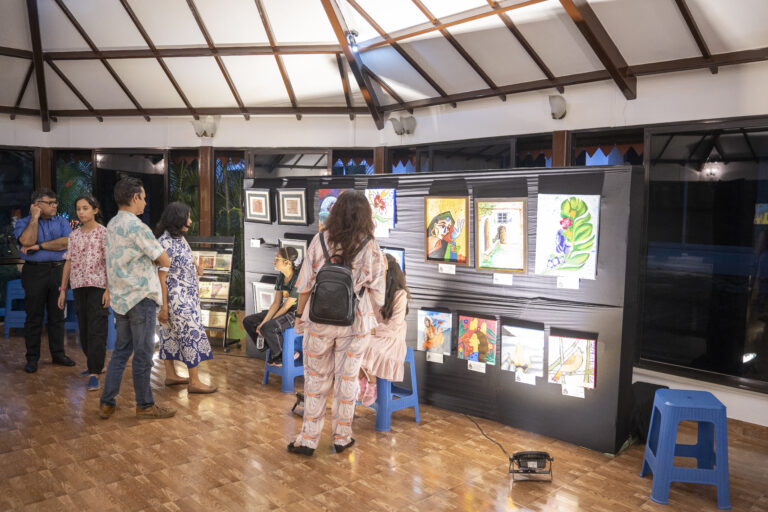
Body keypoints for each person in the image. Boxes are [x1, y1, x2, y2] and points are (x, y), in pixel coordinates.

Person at [288, 191, 386, 456]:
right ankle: (342, 437)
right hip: (355, 324)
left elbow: (304, 285)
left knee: (315, 380)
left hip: (319, 321)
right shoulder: (371, 247)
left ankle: (308, 439)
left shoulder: (320, 240)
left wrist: (299, 316)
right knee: (347, 380)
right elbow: (379, 295)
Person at [99, 177, 176, 420]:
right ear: (134, 198)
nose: (145, 202)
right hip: (141, 297)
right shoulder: (137, 226)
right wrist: (152, 260)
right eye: (143, 197)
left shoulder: (112, 225)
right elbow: (164, 259)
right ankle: (145, 405)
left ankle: (106, 402)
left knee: (121, 351)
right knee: (143, 354)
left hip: (121, 299)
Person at [155, 202, 216, 394]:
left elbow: (180, 266)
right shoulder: (165, 242)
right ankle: (194, 381)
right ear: (178, 219)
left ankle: (171, 375)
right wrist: (164, 307)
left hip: (186, 297)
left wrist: (195, 269)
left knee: (170, 334)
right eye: (187, 217)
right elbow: (161, 277)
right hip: (177, 300)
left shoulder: (180, 239)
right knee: (191, 334)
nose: (190, 221)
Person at [14, 188, 74, 373]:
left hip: (58, 271)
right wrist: (34, 217)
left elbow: (67, 242)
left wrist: (39, 246)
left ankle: (58, 354)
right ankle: (32, 359)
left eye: (55, 202)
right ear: (37, 205)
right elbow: (26, 241)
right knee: (34, 317)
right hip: (34, 272)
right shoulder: (23, 223)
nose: (54, 206)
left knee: (57, 315)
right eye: (50, 203)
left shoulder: (62, 221)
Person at [57, 195, 109, 391]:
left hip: (98, 287)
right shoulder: (74, 236)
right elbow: (68, 262)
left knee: (97, 330)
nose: (81, 212)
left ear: (95, 210)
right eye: (78, 208)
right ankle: (96, 365)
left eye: (85, 208)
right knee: (85, 331)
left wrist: (109, 290)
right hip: (78, 287)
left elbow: (110, 263)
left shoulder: (104, 233)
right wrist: (63, 290)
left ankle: (94, 372)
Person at [358, 253, 410, 406]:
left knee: (370, 347)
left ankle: (372, 383)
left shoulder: (400, 295)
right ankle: (362, 380)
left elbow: (393, 327)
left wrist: (372, 330)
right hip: (372, 332)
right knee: (352, 344)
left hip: (391, 337)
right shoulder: (372, 290)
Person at [242, 247, 300, 366]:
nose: (274, 261)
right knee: (249, 321)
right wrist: (263, 323)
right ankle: (273, 348)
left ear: (287, 263)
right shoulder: (281, 277)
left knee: (268, 327)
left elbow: (286, 307)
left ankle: (285, 355)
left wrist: (266, 323)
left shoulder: (297, 279)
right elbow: (276, 304)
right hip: (282, 310)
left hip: (294, 314)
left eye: (277, 258)